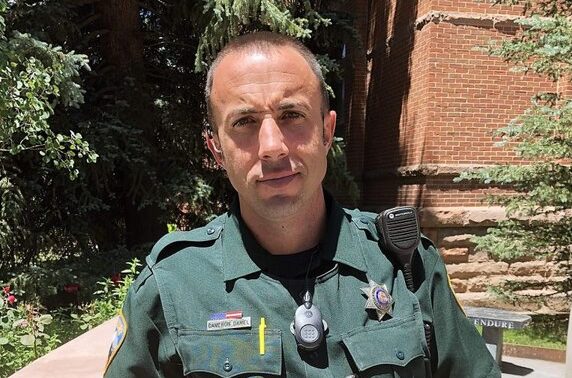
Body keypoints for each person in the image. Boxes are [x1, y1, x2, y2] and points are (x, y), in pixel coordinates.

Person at [103, 31, 501, 378]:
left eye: (291, 114)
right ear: (216, 150)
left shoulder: (404, 263)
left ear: (327, 131)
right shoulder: (172, 286)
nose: (273, 146)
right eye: (244, 122)